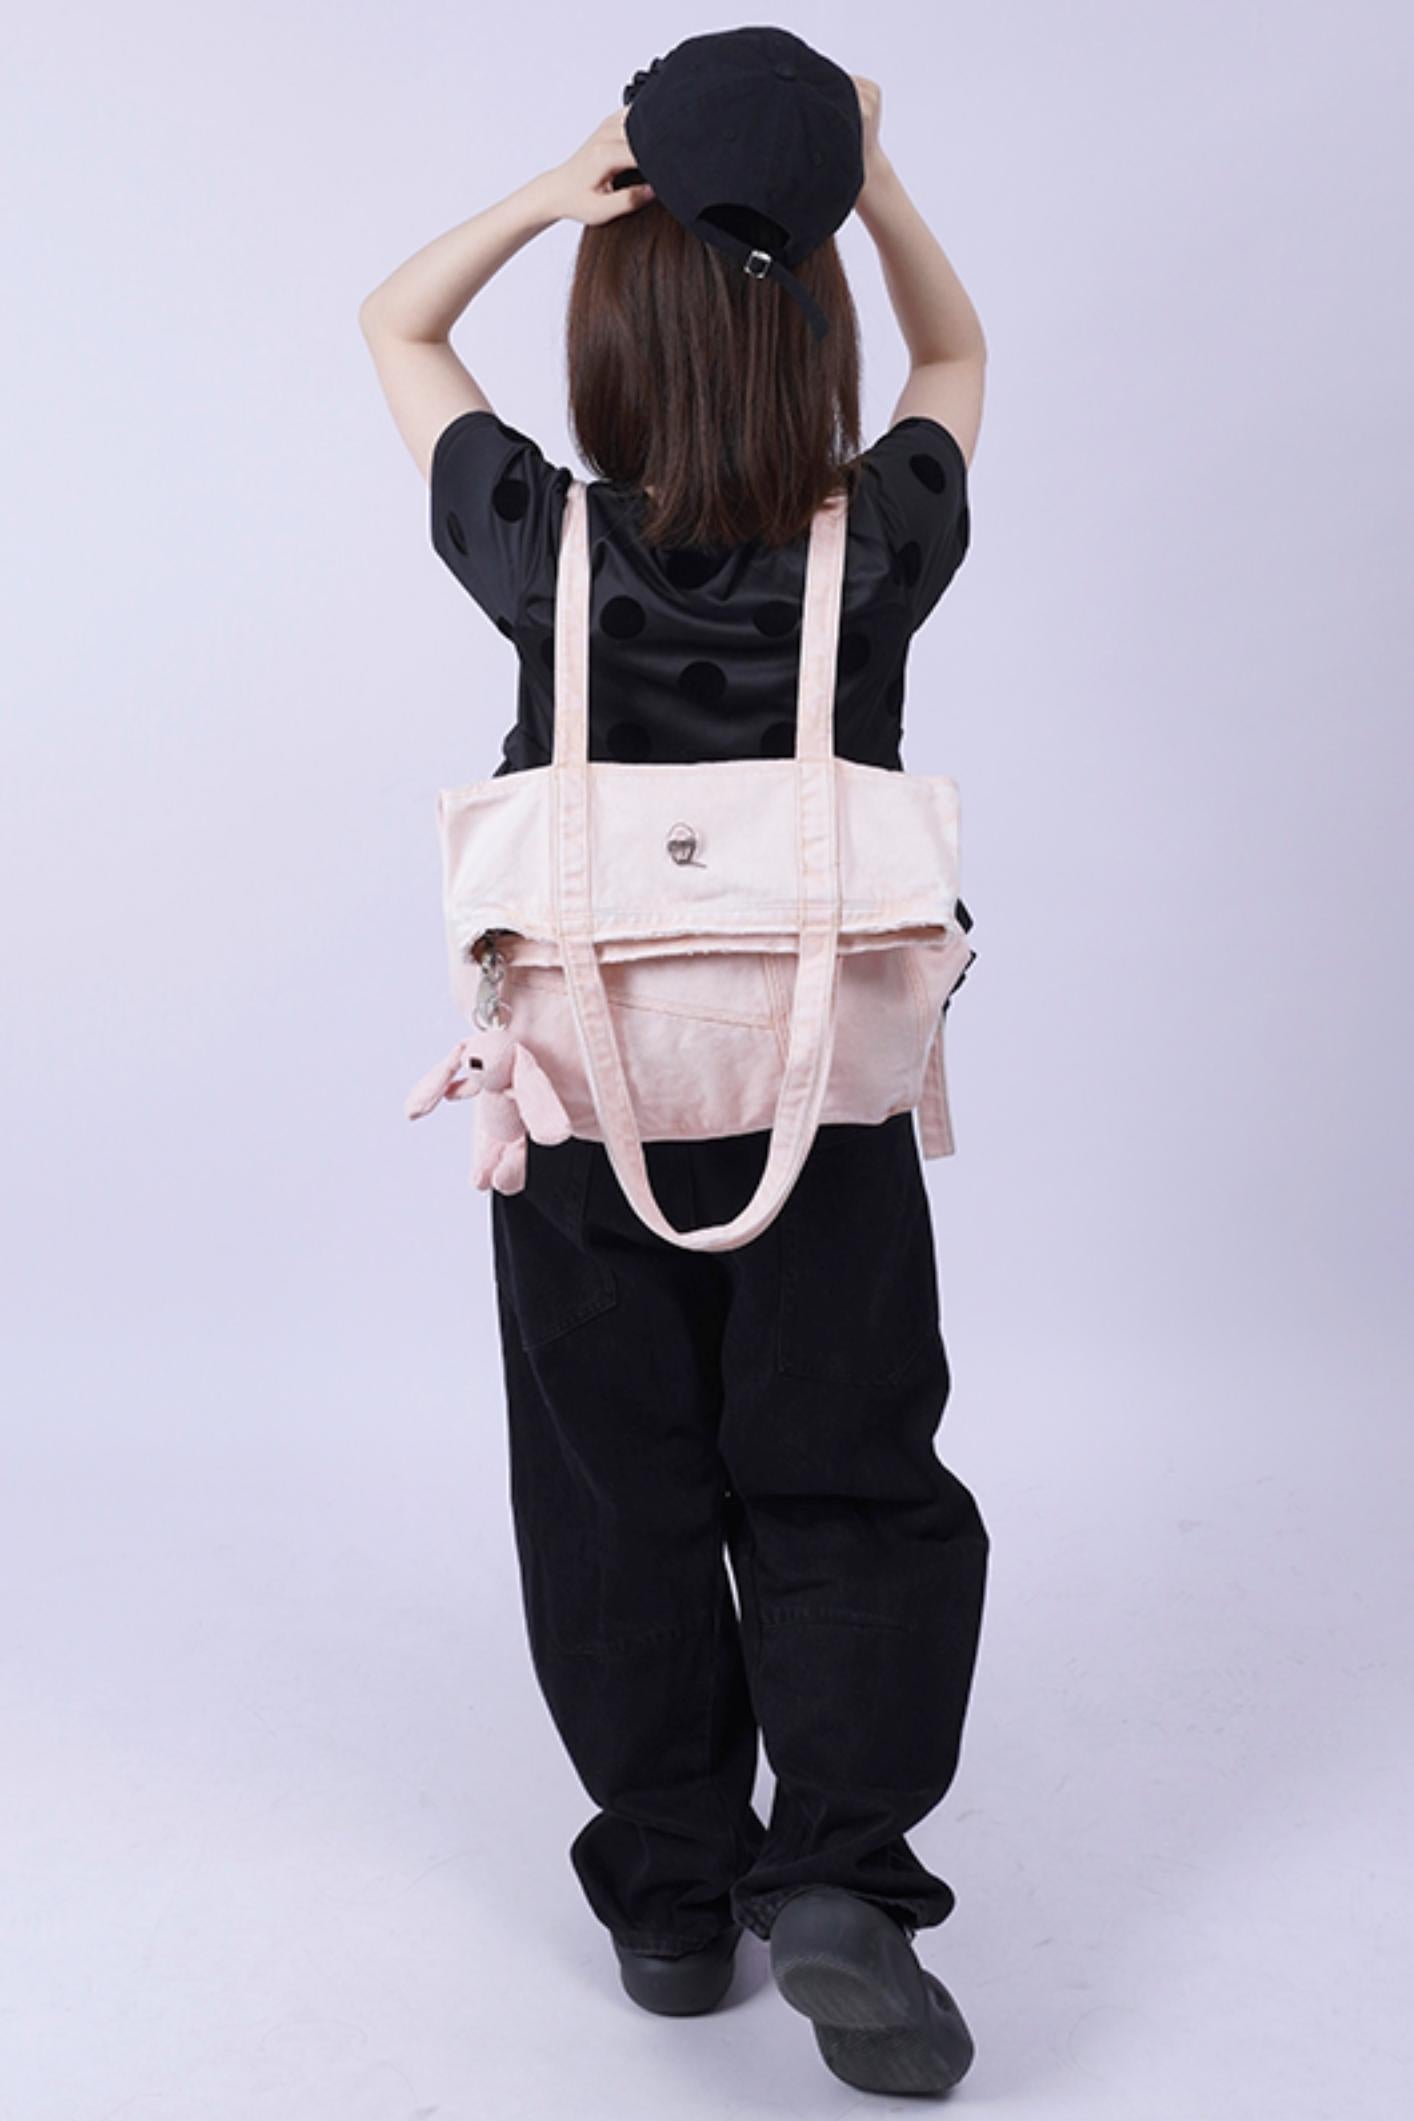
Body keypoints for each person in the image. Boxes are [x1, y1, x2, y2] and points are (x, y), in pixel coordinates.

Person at [359, 29, 990, 2098]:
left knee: (611, 1490)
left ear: (610, 324)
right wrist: (864, 184)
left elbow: (393, 321)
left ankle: (667, 1897)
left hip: (577, 1109)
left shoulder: (535, 539)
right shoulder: (875, 545)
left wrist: (557, 190)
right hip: (822, 1100)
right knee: (850, 1482)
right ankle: (843, 1877)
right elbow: (956, 356)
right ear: (811, 317)